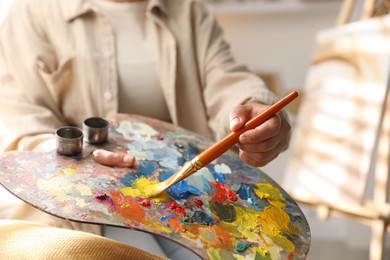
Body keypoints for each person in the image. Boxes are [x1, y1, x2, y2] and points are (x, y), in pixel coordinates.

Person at [0, 0, 291, 258]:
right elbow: (20, 115)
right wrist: (74, 155)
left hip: (182, 198)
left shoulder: (187, 10)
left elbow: (224, 77)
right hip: (88, 208)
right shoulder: (33, 12)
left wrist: (250, 106)